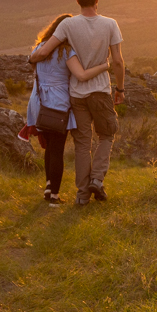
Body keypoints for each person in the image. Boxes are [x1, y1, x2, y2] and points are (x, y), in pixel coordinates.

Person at [29, 0, 124, 205]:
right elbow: (118, 61)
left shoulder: (68, 25)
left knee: (82, 143)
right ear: (97, 0)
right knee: (107, 134)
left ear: (77, 1)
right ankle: (97, 180)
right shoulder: (110, 24)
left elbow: (43, 51)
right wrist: (120, 89)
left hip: (76, 95)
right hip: (100, 90)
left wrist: (31, 58)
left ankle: (82, 196)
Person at [24, 14, 111, 207]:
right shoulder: (66, 52)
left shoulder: (39, 49)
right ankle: (54, 196)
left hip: (39, 102)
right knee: (57, 149)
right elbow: (80, 75)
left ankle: (48, 186)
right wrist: (104, 66)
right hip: (58, 104)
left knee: (48, 146)